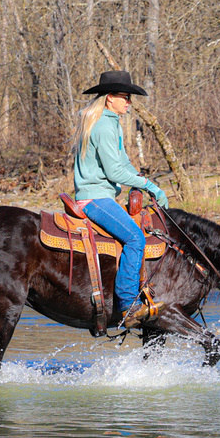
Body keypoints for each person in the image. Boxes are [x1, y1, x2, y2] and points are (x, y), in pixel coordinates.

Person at [72, 70, 169, 328]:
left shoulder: (110, 121)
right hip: (94, 197)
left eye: (129, 98)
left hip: (101, 195)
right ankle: (128, 305)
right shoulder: (103, 125)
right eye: (125, 97)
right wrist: (149, 185)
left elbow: (122, 160)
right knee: (135, 238)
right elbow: (114, 172)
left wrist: (140, 179)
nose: (129, 102)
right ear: (108, 98)